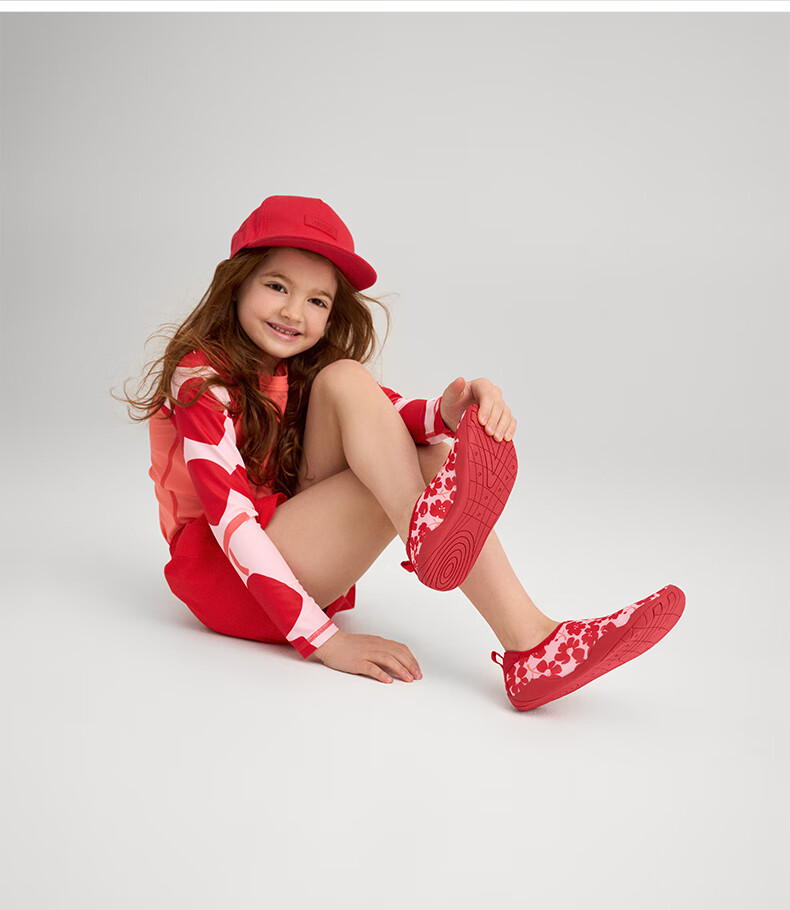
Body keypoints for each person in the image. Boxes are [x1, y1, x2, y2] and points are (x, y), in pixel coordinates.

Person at [122, 194, 685, 711]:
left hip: (289, 550)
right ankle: (432, 536)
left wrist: (453, 410)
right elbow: (232, 523)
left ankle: (532, 644)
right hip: (231, 580)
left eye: (317, 300)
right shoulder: (200, 378)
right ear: (237, 284)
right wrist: (324, 641)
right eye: (277, 286)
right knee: (428, 470)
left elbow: (387, 415)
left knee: (384, 413)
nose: (294, 312)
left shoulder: (306, 369)